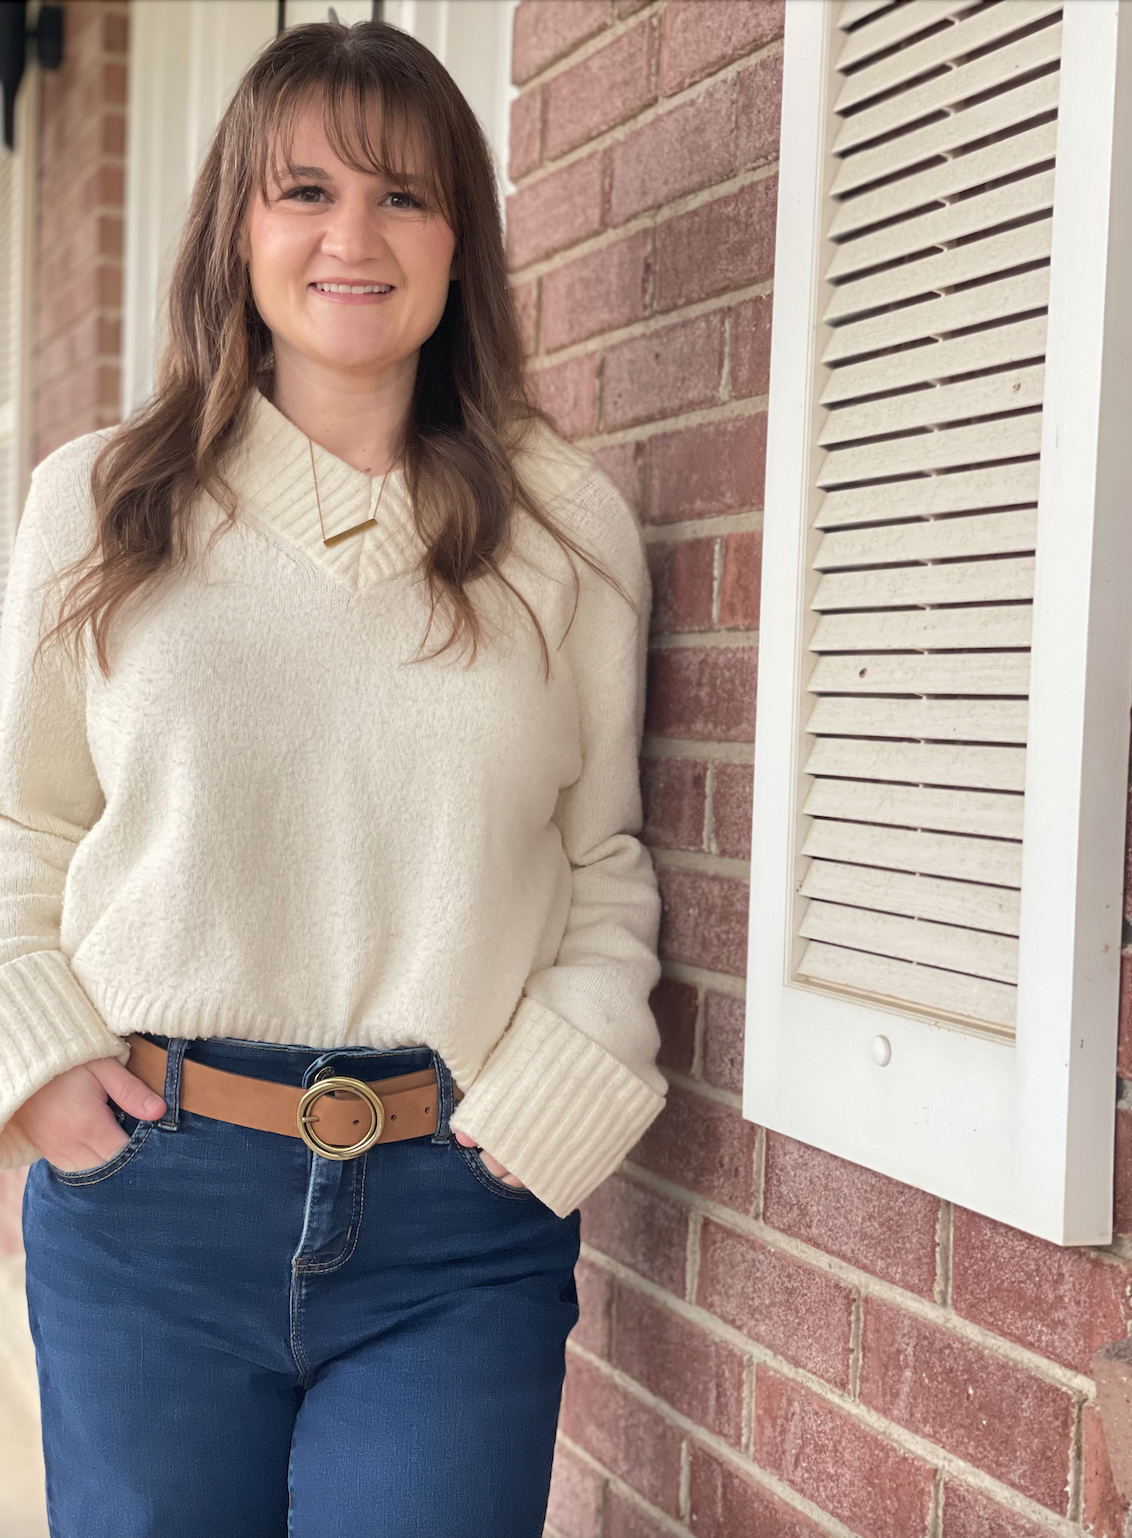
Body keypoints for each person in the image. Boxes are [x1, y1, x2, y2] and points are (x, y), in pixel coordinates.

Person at [0, 19, 665, 1538]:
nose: (350, 237)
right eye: (303, 190)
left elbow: (607, 862)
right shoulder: (100, 505)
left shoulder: (567, 529)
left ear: (459, 242)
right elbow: (21, 822)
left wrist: (549, 1100)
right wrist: (39, 1064)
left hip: (457, 1219)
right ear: (238, 224)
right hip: (150, 1203)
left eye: (404, 196)